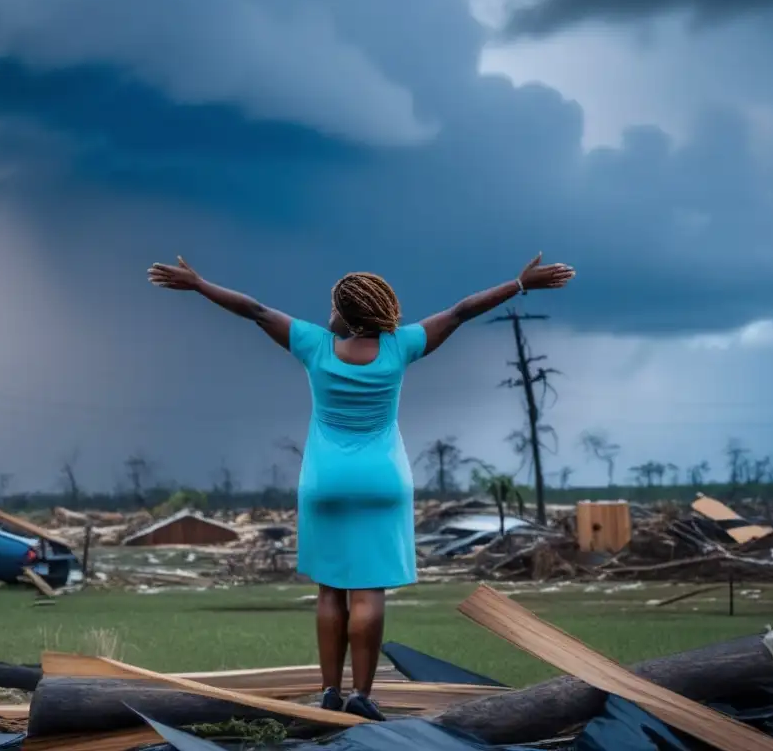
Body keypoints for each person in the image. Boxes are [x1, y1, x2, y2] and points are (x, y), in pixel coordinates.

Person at [147, 253, 575, 719]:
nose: (327, 312)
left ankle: (329, 691)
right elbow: (461, 311)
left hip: (325, 484)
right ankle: (362, 696)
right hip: (382, 483)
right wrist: (519, 282)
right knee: (369, 591)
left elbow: (254, 310)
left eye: (333, 305)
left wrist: (198, 283)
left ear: (346, 315)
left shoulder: (314, 346)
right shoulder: (400, 347)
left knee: (331, 589)